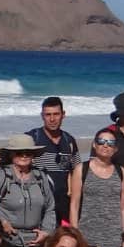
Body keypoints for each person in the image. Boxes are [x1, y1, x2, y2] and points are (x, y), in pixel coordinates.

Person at [71, 127, 124, 247]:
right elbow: (74, 203)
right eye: (102, 142)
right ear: (94, 145)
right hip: (86, 231)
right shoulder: (82, 169)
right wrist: (74, 232)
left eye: (110, 143)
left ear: (115, 149)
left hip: (113, 232)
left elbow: (123, 206)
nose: (106, 146)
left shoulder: (121, 171)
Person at [0, 134, 58, 247]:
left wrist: (46, 232)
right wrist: (1, 223)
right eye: (19, 152)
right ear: (11, 154)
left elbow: (50, 207)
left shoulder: (41, 177)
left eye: (28, 152)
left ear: (33, 155)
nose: (24, 155)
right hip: (8, 241)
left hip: (36, 242)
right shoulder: (1, 177)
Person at [24, 95, 80, 224]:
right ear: (42, 116)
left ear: (63, 115)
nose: (52, 119)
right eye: (48, 115)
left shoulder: (69, 140)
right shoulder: (32, 138)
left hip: (63, 205)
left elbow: (77, 172)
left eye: (56, 114)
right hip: (38, 204)